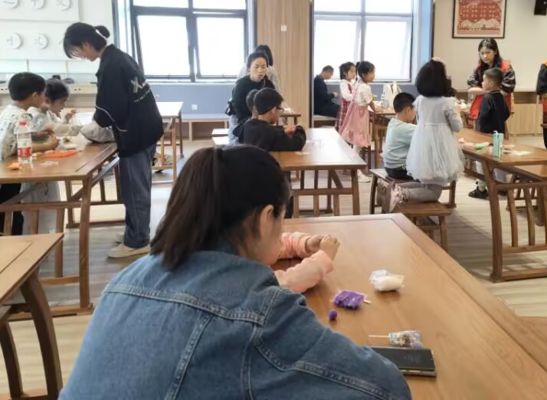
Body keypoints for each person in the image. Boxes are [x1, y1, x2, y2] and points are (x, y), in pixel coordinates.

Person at [59, 145, 412, 399]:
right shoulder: (259, 313)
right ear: (265, 218)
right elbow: (386, 388)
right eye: (282, 216)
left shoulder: (127, 278)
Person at [63, 23, 163, 258]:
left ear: (86, 44)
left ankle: (138, 241)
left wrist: (89, 127)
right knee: (135, 187)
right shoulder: (118, 57)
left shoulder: (111, 65)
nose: (80, 56)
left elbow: (109, 110)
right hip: (146, 129)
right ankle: (134, 232)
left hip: (136, 134)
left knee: (135, 189)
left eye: (77, 51)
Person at [394, 59, 463, 207]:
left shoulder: (420, 100)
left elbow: (420, 121)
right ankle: (402, 194)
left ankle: (395, 187)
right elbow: (457, 127)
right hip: (440, 147)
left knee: (426, 183)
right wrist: (457, 110)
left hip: (422, 146)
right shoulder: (446, 102)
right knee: (434, 192)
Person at [0, 73, 59, 235]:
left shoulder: (8, 111)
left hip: (4, 165)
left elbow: (18, 137)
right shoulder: (23, 115)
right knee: (11, 208)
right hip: (8, 170)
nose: (44, 97)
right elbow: (24, 147)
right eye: (43, 93)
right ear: (35, 96)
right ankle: (15, 241)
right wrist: (49, 145)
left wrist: (38, 135)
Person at [469, 68, 511, 199]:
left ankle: (481, 189)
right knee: (498, 159)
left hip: (485, 135)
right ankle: (502, 187)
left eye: (484, 80)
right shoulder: (501, 96)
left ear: (491, 83)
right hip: (499, 134)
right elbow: (507, 113)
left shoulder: (487, 97)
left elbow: (483, 116)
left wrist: (478, 130)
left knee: (481, 161)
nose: (482, 83)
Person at [340, 61, 381, 183]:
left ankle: (356, 171)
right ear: (364, 74)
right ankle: (356, 172)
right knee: (357, 145)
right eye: (371, 73)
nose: (374, 75)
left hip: (355, 114)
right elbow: (370, 102)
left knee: (356, 144)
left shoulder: (358, 83)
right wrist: (377, 110)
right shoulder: (365, 87)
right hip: (359, 116)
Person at [238, 88, 306, 151]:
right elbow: (297, 144)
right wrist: (300, 128)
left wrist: (283, 131)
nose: (280, 112)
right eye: (280, 109)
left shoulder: (247, 126)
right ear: (273, 110)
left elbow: (266, 129)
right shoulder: (272, 133)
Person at [229, 52, 275, 143]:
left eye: (263, 67)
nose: (260, 70)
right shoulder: (240, 85)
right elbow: (238, 109)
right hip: (242, 122)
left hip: (263, 124)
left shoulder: (269, 85)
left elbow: (273, 105)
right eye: (256, 67)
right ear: (249, 68)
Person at [467, 38, 515, 123]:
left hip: (498, 106)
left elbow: (506, 90)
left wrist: (482, 91)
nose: (485, 56)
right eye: (482, 53)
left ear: (495, 51)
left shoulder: (506, 67)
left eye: (488, 52)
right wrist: (491, 91)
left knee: (498, 129)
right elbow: (471, 89)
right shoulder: (479, 68)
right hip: (481, 107)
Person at [275, 232, 339, 293]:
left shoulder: (270, 243)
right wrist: (322, 258)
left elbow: (281, 242)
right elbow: (290, 282)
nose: (279, 240)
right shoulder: (269, 282)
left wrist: (306, 244)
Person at [383, 92, 417, 181]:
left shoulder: (392, 122)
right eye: (415, 110)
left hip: (389, 167)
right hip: (400, 170)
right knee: (431, 171)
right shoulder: (406, 128)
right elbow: (427, 136)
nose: (415, 113)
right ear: (408, 110)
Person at [335, 61, 356, 131]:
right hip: (346, 109)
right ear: (344, 72)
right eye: (352, 71)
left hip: (352, 108)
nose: (354, 73)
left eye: (355, 71)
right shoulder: (343, 82)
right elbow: (346, 96)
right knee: (345, 127)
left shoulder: (352, 82)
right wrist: (356, 96)